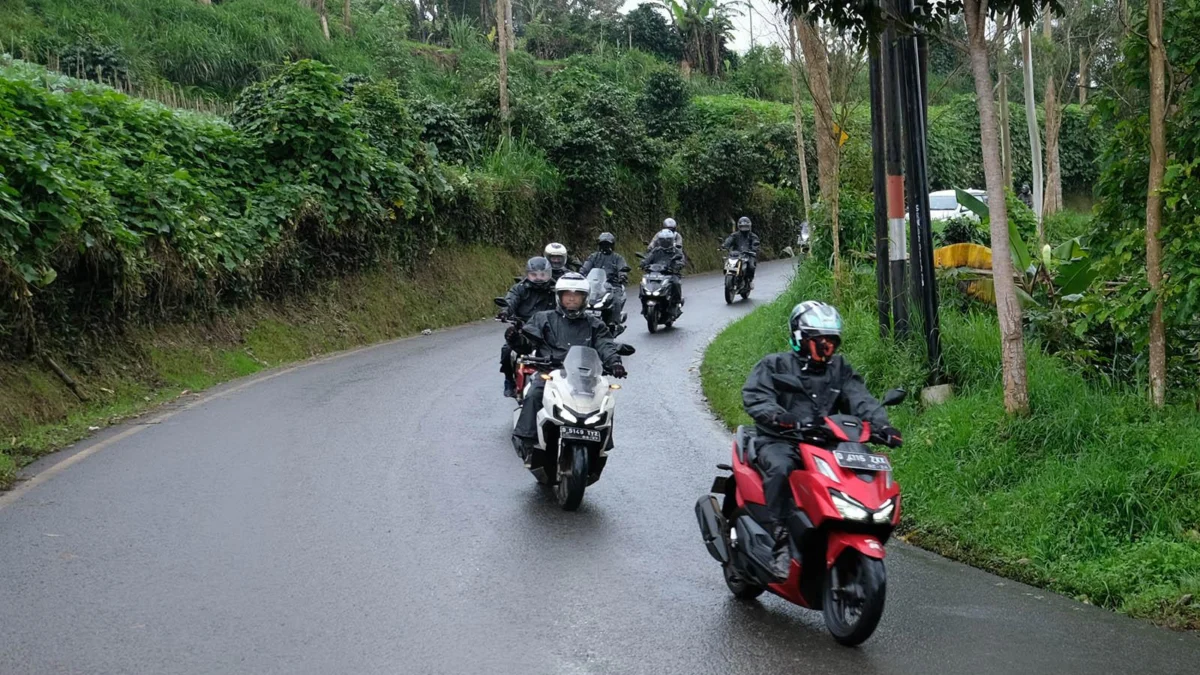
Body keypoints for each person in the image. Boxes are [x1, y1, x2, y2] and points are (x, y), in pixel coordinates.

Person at [741, 300, 903, 580]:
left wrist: (883, 426)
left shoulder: (839, 368)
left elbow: (859, 398)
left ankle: (845, 528)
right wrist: (782, 417)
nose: (827, 349)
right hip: (782, 440)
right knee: (781, 468)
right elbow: (757, 397)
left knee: (861, 469)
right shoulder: (775, 365)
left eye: (832, 343)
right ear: (800, 339)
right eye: (821, 342)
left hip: (826, 443)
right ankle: (780, 539)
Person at [510, 273, 628, 463]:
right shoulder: (543, 318)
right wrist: (514, 337)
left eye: (577, 294)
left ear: (585, 298)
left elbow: (606, 344)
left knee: (606, 399)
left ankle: (603, 444)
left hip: (584, 378)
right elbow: (526, 343)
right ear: (559, 296)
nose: (572, 298)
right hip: (550, 373)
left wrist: (615, 363)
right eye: (567, 294)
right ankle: (527, 440)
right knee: (534, 393)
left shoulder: (595, 324)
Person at [499, 257, 557, 398]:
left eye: (542, 274)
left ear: (549, 274)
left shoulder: (556, 289)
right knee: (507, 350)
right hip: (524, 328)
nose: (538, 278)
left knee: (560, 352)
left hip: (549, 329)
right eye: (534, 274)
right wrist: (505, 311)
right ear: (528, 274)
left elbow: (565, 304)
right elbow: (511, 300)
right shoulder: (520, 288)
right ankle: (509, 380)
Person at [580, 232, 629, 325]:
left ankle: (614, 323)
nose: (605, 246)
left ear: (612, 245)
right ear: (599, 245)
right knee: (580, 297)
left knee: (616, 300)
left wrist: (622, 275)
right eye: (603, 244)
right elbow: (586, 267)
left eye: (607, 244)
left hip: (613, 285)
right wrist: (581, 273)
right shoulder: (594, 256)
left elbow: (622, 268)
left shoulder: (618, 258)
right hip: (594, 285)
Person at [641, 228, 685, 308]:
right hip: (655, 273)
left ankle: (677, 302)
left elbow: (681, 261)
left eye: (668, 240)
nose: (665, 242)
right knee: (644, 282)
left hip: (671, 273)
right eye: (663, 240)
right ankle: (644, 301)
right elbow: (648, 258)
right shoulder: (656, 251)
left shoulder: (676, 251)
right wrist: (643, 263)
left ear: (671, 240)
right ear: (659, 241)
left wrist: (677, 266)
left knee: (676, 283)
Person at [722, 216, 762, 285]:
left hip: (748, 254)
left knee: (751, 266)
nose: (744, 228)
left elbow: (756, 243)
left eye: (745, 226)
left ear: (749, 226)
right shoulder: (735, 235)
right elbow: (729, 240)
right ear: (739, 226)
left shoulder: (752, 236)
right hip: (736, 255)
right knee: (728, 262)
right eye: (742, 226)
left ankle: (749, 280)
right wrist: (724, 246)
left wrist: (754, 248)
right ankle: (732, 278)